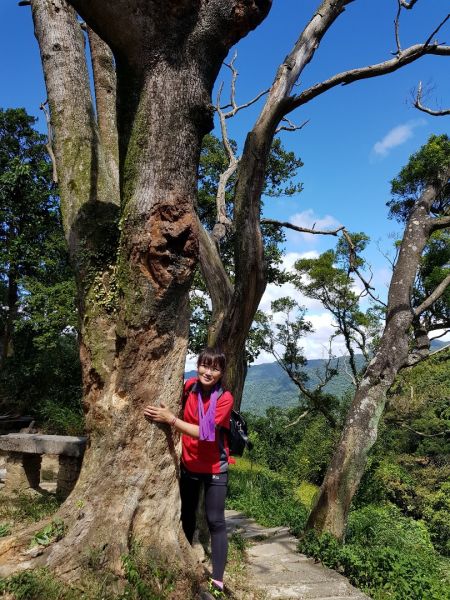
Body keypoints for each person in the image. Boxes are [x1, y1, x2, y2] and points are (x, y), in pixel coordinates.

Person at [144, 347, 234, 598]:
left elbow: (206, 433)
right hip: (190, 464)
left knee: (216, 521)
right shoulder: (188, 387)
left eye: (215, 368)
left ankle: (217, 580)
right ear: (198, 366)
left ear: (221, 373)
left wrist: (170, 419)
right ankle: (183, 563)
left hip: (216, 466)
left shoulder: (225, 398)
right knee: (186, 514)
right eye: (205, 365)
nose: (208, 372)